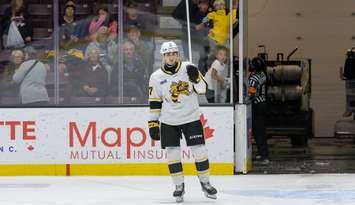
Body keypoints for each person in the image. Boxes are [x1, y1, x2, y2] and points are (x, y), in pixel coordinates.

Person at [148, 41, 217, 202]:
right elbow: (154, 101)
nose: (171, 57)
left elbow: (203, 90)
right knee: (172, 154)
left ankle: (205, 182)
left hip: (191, 117)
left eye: (174, 54)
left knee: (200, 150)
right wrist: (152, 122)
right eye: (168, 55)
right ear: (163, 56)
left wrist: (196, 79)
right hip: (168, 120)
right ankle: (179, 186)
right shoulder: (156, 77)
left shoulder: (189, 68)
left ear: (178, 55)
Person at [247, 57, 269, 165]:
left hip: (257, 105)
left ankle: (264, 156)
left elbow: (251, 94)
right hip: (264, 103)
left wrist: (244, 100)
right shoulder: (263, 75)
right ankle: (263, 153)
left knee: (258, 131)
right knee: (261, 130)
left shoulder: (253, 79)